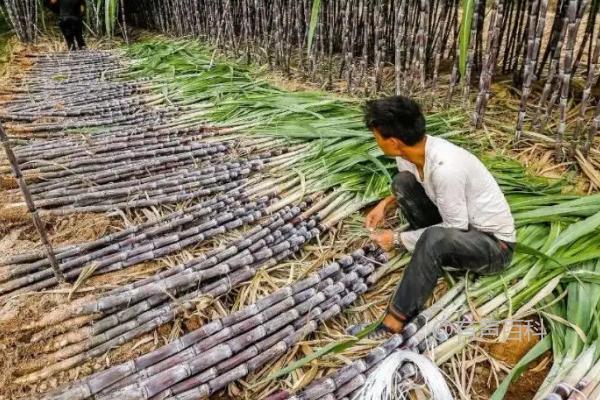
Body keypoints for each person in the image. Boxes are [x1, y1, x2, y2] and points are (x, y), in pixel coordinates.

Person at [352, 96, 516, 337]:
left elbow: (455, 228)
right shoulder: (409, 154)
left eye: (377, 136)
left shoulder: (446, 167)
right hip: (459, 226)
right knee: (402, 183)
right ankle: (431, 253)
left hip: (492, 246)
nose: (376, 141)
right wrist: (385, 205)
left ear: (394, 142)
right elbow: (417, 187)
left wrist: (397, 239)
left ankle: (394, 322)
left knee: (433, 239)